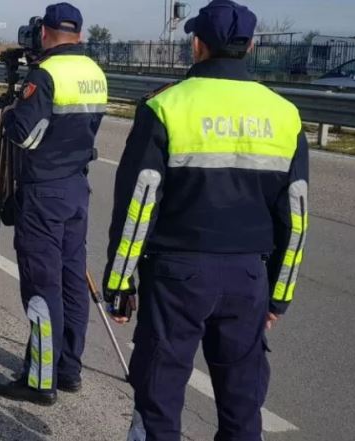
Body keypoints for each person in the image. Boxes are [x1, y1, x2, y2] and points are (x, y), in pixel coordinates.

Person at [101, 1, 309, 439]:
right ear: (249, 46)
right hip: (248, 278)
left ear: (197, 44)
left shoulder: (165, 106)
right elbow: (296, 215)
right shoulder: (284, 115)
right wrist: (278, 296)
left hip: (177, 277)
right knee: (241, 407)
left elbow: (139, 206)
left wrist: (119, 282)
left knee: (158, 402)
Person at [0, 2, 108, 406]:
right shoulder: (94, 72)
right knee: (72, 279)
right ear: (78, 33)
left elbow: (23, 135)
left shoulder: (45, 75)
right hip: (77, 186)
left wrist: (10, 114)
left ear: (44, 32)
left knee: (43, 288)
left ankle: (41, 379)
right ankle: (68, 368)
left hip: (44, 191)